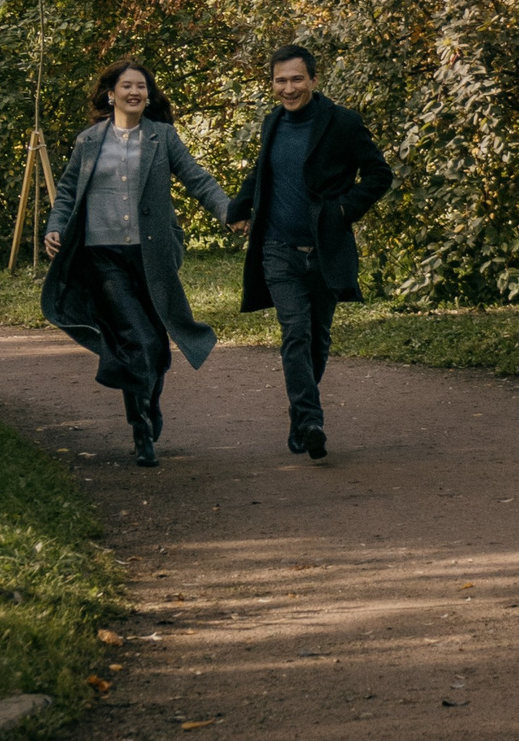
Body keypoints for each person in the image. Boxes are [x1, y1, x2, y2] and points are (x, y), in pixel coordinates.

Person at [40, 61, 234, 466]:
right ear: (110, 94)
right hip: (103, 254)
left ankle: (149, 400)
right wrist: (55, 227)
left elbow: (197, 179)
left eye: (141, 87)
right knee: (137, 338)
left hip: (151, 256)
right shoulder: (89, 141)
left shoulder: (162, 137)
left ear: (148, 95)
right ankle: (140, 425)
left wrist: (228, 212)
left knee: (155, 343)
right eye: (126, 86)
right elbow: (68, 191)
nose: (134, 92)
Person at [224, 43, 394, 459]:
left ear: (314, 80)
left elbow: (379, 174)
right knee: (295, 332)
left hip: (325, 248)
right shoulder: (272, 124)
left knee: (318, 339)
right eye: (280, 80)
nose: (288, 87)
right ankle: (312, 418)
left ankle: (300, 419)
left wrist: (341, 211)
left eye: (296, 78)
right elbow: (262, 172)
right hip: (277, 248)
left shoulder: (342, 123)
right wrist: (240, 205)